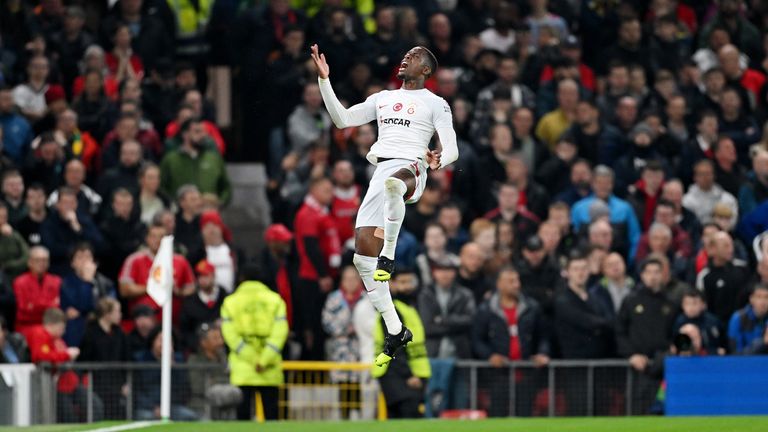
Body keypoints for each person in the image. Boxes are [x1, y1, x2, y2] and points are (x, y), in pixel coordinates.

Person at [311, 43, 458, 367]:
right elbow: (342, 119)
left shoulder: (436, 103)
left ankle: (388, 256)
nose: (406, 56)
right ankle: (395, 329)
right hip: (381, 171)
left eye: (414, 56)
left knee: (396, 184)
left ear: (426, 71)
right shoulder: (383, 98)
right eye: (405, 53)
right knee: (362, 259)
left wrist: (438, 160)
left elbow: (452, 149)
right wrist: (325, 81)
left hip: (412, 167)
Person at [472, 266, 550, 417]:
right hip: (498, 374)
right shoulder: (486, 310)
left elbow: (543, 336)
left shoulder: (532, 307)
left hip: (526, 371)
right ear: (499, 284)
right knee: (497, 415)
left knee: (525, 415)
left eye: (517, 280)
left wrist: (542, 353)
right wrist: (490, 356)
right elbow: (477, 340)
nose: (516, 284)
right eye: (511, 281)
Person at [221, 264, 289, 421]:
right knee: (272, 420)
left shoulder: (230, 302)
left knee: (243, 421)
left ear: (241, 278)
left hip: (243, 369)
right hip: (269, 369)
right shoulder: (275, 300)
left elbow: (230, 336)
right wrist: (264, 360)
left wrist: (252, 358)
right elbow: (280, 333)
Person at [616, 258, 676, 414]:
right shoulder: (631, 300)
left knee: (663, 409)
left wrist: (671, 350)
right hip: (638, 366)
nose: (653, 276)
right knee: (637, 408)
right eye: (648, 272)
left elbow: (675, 332)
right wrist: (631, 355)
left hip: (663, 365)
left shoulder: (670, 302)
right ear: (642, 275)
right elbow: (619, 331)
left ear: (663, 275)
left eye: (657, 272)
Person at [372, 268, 431, 418]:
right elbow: (394, 346)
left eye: (409, 282)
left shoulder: (407, 308)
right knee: (410, 414)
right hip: (395, 372)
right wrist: (408, 375)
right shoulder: (393, 311)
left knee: (398, 419)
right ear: (391, 284)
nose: (407, 286)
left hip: (401, 371)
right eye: (402, 282)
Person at [293, 177, 341, 359]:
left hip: (324, 274)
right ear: (313, 190)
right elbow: (310, 246)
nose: (331, 194)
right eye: (326, 190)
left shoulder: (322, 212)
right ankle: (314, 361)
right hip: (312, 277)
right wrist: (323, 275)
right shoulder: (307, 214)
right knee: (315, 323)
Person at [118, 222, 195, 319]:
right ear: (147, 239)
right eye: (153, 236)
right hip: (143, 319)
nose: (157, 240)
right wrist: (154, 286)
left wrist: (178, 292)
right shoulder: (134, 260)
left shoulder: (180, 261)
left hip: (174, 318)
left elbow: (191, 288)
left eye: (161, 237)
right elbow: (124, 289)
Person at [321, 266, 364, 419]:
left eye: (354, 279)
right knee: (342, 383)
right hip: (339, 349)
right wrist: (345, 329)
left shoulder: (366, 298)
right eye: (347, 279)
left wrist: (358, 328)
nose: (350, 282)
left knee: (358, 384)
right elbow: (326, 321)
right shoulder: (334, 298)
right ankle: (343, 417)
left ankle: (358, 416)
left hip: (360, 348)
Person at [78, 298, 130, 420]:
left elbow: (126, 358)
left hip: (117, 385)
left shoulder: (120, 334)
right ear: (107, 314)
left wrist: (125, 383)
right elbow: (83, 360)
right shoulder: (90, 333)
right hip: (97, 385)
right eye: (117, 311)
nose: (120, 315)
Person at [160, 118, 231, 204]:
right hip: (179, 213)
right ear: (185, 134)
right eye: (197, 132)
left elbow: (226, 187)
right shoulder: (170, 159)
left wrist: (219, 202)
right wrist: (173, 204)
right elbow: (161, 187)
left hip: (209, 212)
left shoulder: (214, 158)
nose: (203, 135)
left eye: (204, 132)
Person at [134, 327, 197, 421]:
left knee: (189, 416)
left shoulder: (178, 361)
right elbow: (136, 391)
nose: (165, 344)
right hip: (148, 408)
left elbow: (184, 390)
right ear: (152, 341)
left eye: (169, 341)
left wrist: (173, 369)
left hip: (172, 407)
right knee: (146, 417)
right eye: (161, 340)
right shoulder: (141, 360)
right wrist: (154, 407)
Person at [40, 186, 105, 274]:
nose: (69, 206)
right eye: (65, 203)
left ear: (76, 204)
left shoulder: (84, 220)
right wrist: (74, 253)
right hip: (60, 268)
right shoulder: (49, 223)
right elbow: (50, 248)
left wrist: (78, 229)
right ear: (58, 205)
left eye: (72, 203)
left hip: (85, 268)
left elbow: (99, 245)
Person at [60, 242, 114, 347]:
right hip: (77, 328)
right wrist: (87, 282)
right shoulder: (66, 284)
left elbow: (109, 308)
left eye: (88, 257)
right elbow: (82, 306)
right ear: (72, 263)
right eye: (80, 257)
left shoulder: (106, 283)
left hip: (101, 325)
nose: (85, 261)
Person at [188, 323, 242, 420]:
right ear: (203, 342)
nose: (220, 342)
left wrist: (214, 381)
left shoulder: (227, 359)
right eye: (215, 338)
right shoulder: (194, 360)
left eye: (220, 338)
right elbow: (198, 387)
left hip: (228, 406)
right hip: (202, 406)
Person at [696, 231, 750, 323]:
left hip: (743, 323)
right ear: (712, 249)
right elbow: (703, 305)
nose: (731, 250)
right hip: (717, 325)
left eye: (731, 245)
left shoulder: (742, 268)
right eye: (726, 246)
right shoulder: (705, 276)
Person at [13, 246, 61, 339]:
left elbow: (58, 309)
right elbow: (23, 311)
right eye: (37, 260)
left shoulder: (56, 281)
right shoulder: (20, 282)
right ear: (29, 262)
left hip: (52, 327)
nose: (41, 263)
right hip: (27, 327)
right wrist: (50, 305)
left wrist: (35, 306)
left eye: (45, 260)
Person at [180, 260, 226, 352]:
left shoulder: (225, 298)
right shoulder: (190, 302)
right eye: (199, 276)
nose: (202, 280)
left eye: (206, 275)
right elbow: (185, 331)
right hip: (199, 351)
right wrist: (199, 345)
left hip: (223, 348)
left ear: (213, 276)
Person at [673, 289, 724, 355]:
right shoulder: (679, 322)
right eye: (687, 303)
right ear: (682, 305)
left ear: (703, 304)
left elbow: (721, 344)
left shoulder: (712, 322)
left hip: (710, 358)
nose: (691, 307)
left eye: (694, 303)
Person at [728, 284, 768, 354]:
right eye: (759, 297)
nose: (763, 301)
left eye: (766, 297)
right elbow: (736, 353)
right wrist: (763, 342)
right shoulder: (738, 318)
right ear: (751, 299)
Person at [0, 201, 29, 278]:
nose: (2, 220)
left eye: (4, 217)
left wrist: (10, 265)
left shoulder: (14, 235)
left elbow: (26, 256)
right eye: (0, 217)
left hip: (15, 274)